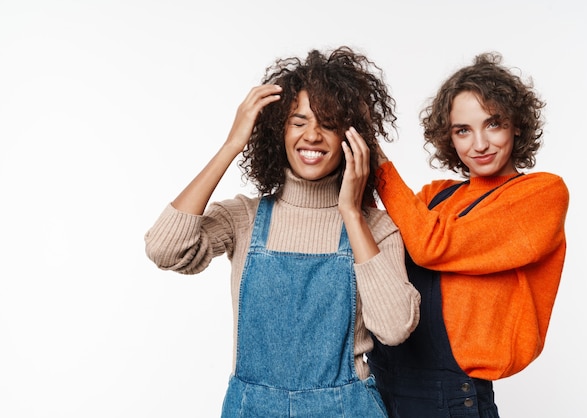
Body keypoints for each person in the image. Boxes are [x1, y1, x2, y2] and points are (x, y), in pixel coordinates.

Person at [144, 46, 421, 417]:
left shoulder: (375, 227)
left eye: (329, 122)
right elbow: (164, 249)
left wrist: (352, 214)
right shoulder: (243, 218)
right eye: (299, 121)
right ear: (278, 130)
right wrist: (231, 145)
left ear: (350, 137)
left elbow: (394, 328)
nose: (313, 135)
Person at [364, 52, 569, 417]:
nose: (479, 144)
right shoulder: (436, 197)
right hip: (381, 382)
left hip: (451, 398)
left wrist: (377, 160)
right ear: (450, 136)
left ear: (517, 124)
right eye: (463, 130)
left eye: (493, 124)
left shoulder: (540, 195)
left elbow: (430, 246)